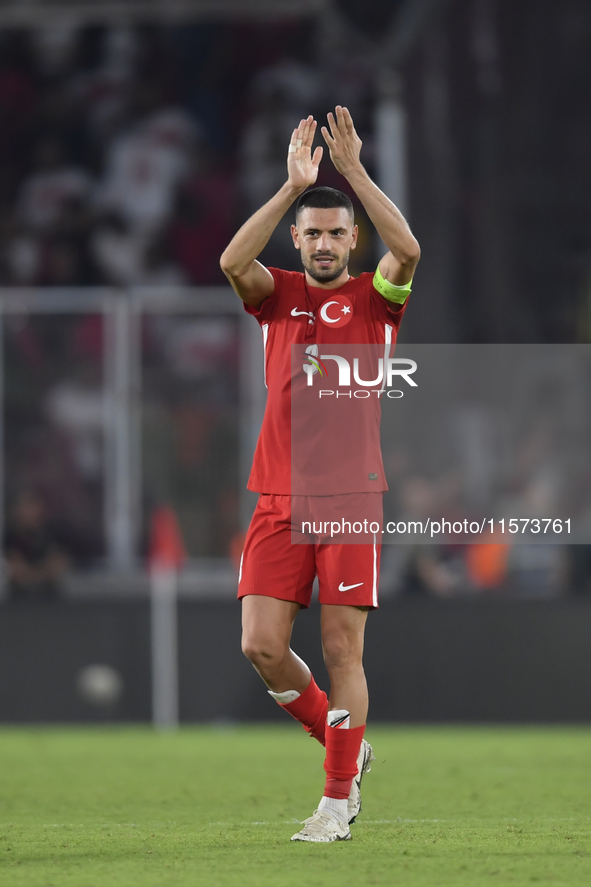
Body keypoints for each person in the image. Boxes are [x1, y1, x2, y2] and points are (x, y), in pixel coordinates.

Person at [220, 107, 420, 842]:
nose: (327, 243)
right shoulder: (274, 296)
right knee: (261, 645)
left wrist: (355, 174)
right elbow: (230, 265)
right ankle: (346, 749)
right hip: (276, 495)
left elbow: (409, 248)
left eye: (338, 232)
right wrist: (289, 189)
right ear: (297, 241)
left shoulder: (376, 299)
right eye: (313, 233)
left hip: (347, 498)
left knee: (342, 649)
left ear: (352, 239)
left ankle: (336, 801)